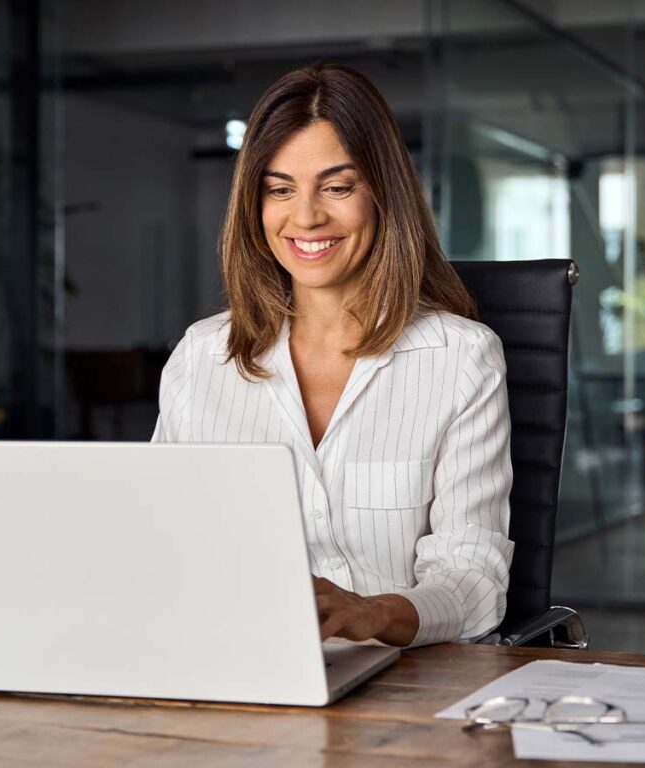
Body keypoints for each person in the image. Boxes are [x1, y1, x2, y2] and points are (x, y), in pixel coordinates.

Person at [151, 64, 514, 648]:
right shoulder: (202, 358)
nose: (306, 217)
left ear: (382, 195)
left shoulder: (461, 359)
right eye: (279, 189)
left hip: (403, 684)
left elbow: (474, 580)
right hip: (237, 664)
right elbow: (161, 543)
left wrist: (375, 613)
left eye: (338, 187)